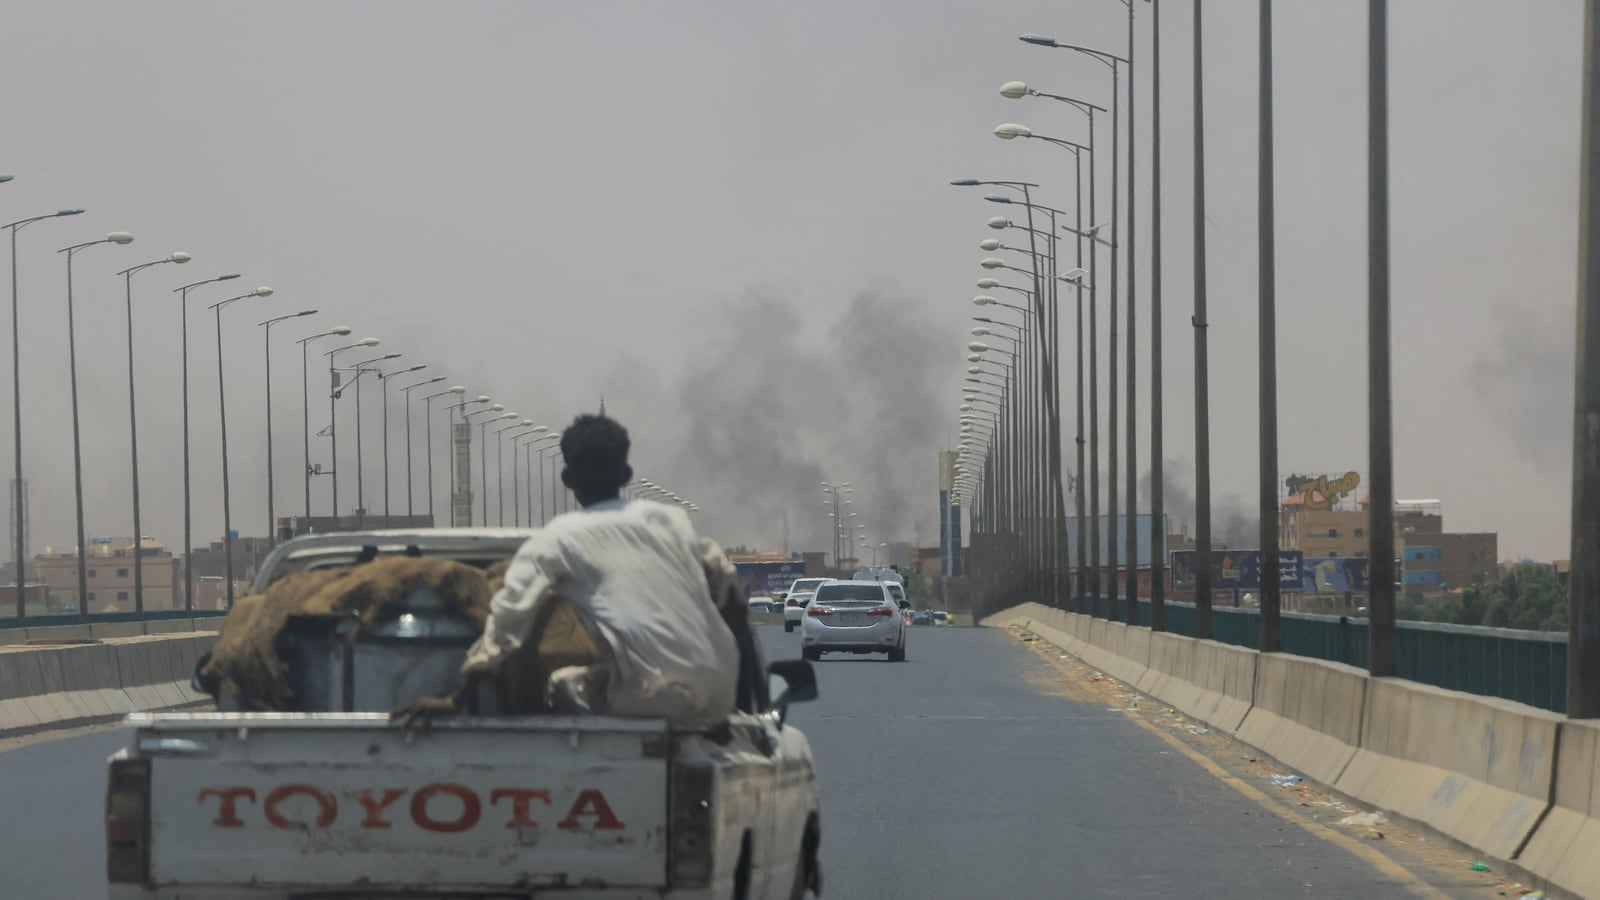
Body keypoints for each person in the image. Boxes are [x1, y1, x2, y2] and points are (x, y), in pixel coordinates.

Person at [395, 414, 741, 727]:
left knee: (564, 685)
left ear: (566, 478)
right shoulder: (671, 520)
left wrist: (456, 699)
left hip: (650, 699)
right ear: (626, 475)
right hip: (724, 692)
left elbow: (506, 623)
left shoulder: (557, 538)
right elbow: (730, 590)